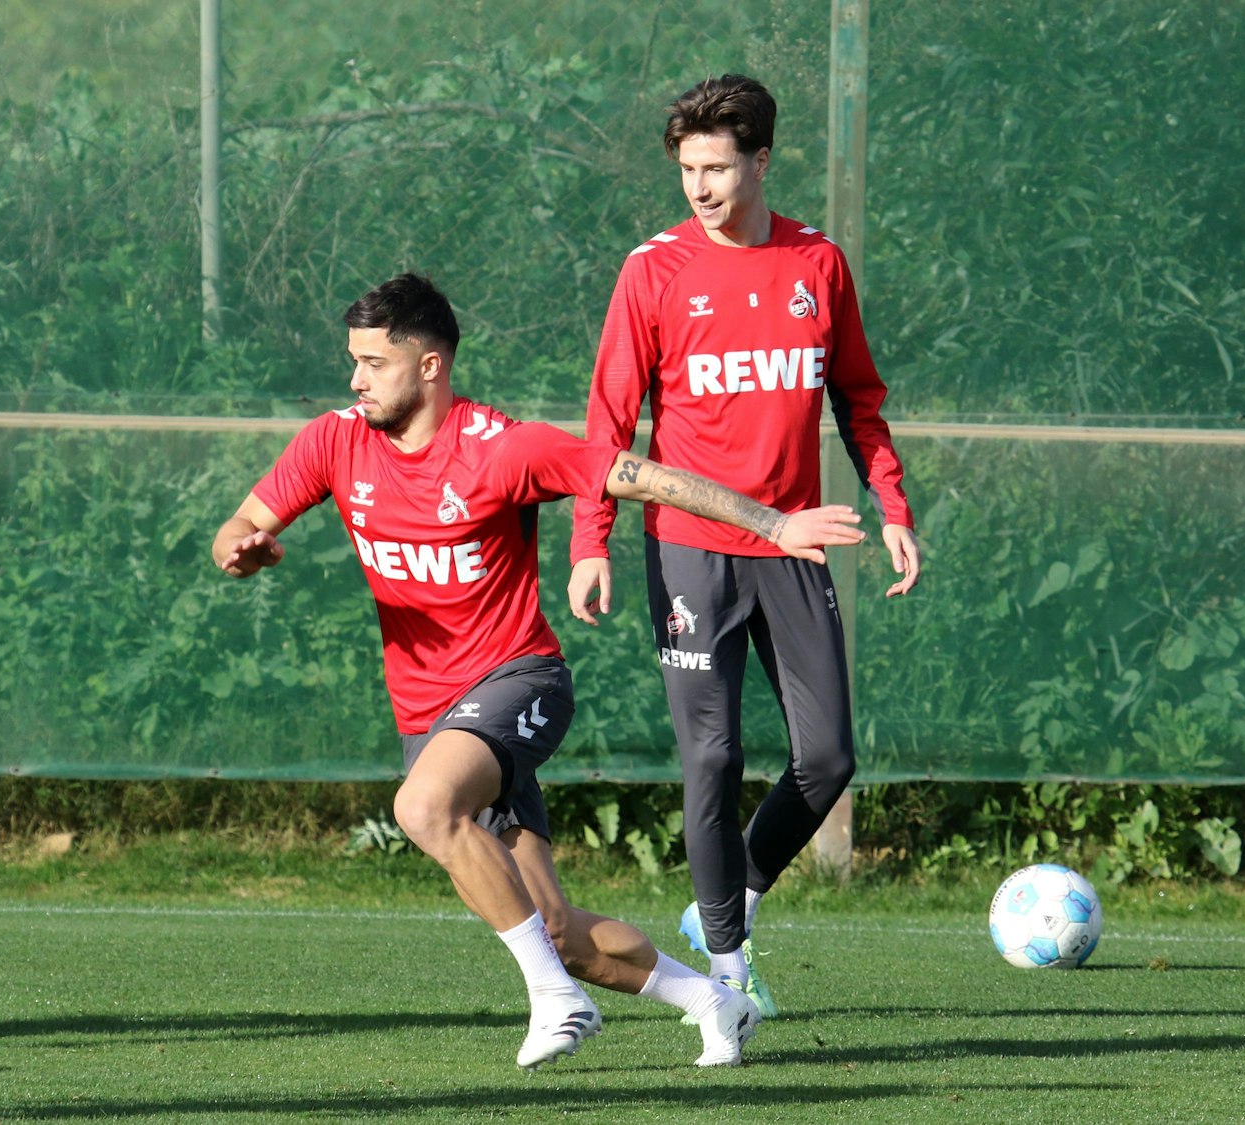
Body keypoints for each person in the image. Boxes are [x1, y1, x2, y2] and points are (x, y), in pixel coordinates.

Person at [213, 273, 866, 1071]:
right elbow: (241, 523)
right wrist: (242, 550)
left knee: (423, 806)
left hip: (521, 682)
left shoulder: (500, 449)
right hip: (432, 715)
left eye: (373, 362)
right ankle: (712, 1000)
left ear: (429, 366)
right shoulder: (333, 441)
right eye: (353, 360)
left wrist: (774, 521)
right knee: (555, 928)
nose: (355, 379)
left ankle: (556, 1000)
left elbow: (643, 475)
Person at [566, 74, 921, 1019]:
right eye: (687, 169)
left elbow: (860, 401)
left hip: (794, 544)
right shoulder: (653, 270)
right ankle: (727, 979)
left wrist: (893, 506)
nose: (701, 187)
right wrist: (588, 540)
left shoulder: (818, 264)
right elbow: (609, 421)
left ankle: (727, 900)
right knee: (713, 759)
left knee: (830, 758)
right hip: (688, 548)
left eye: (718, 167)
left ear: (762, 160)